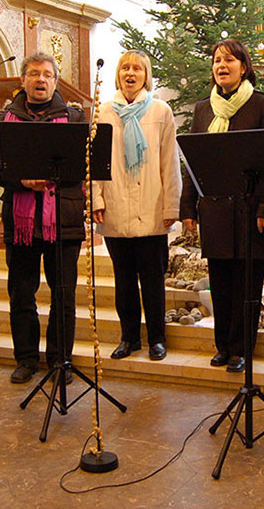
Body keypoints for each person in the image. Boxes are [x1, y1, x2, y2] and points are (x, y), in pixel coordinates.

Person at [180, 39, 264, 373]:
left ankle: (242, 349)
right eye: (216, 60)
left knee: (247, 284)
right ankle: (223, 346)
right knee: (220, 283)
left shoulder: (261, 104)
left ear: (244, 66)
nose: (221, 66)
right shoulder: (203, 109)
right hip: (216, 211)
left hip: (252, 212)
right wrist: (188, 207)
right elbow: (193, 162)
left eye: (229, 60)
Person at [0, 52, 87, 384]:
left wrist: (53, 177)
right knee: (21, 293)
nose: (40, 80)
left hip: (64, 219)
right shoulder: (3, 120)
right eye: (33, 74)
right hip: (21, 223)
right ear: (23, 81)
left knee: (64, 294)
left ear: (56, 81)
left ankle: (61, 360)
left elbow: (82, 170)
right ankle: (26, 359)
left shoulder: (75, 119)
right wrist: (23, 181)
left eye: (47, 75)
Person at [92, 50, 181, 361]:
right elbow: (96, 162)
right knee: (124, 280)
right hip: (116, 205)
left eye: (137, 69)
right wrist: (96, 199)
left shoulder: (160, 111)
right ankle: (129, 338)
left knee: (153, 280)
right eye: (125, 68)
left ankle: (157, 338)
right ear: (118, 74)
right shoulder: (103, 112)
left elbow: (170, 163)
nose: (130, 73)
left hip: (152, 206)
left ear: (146, 75)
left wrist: (172, 205)